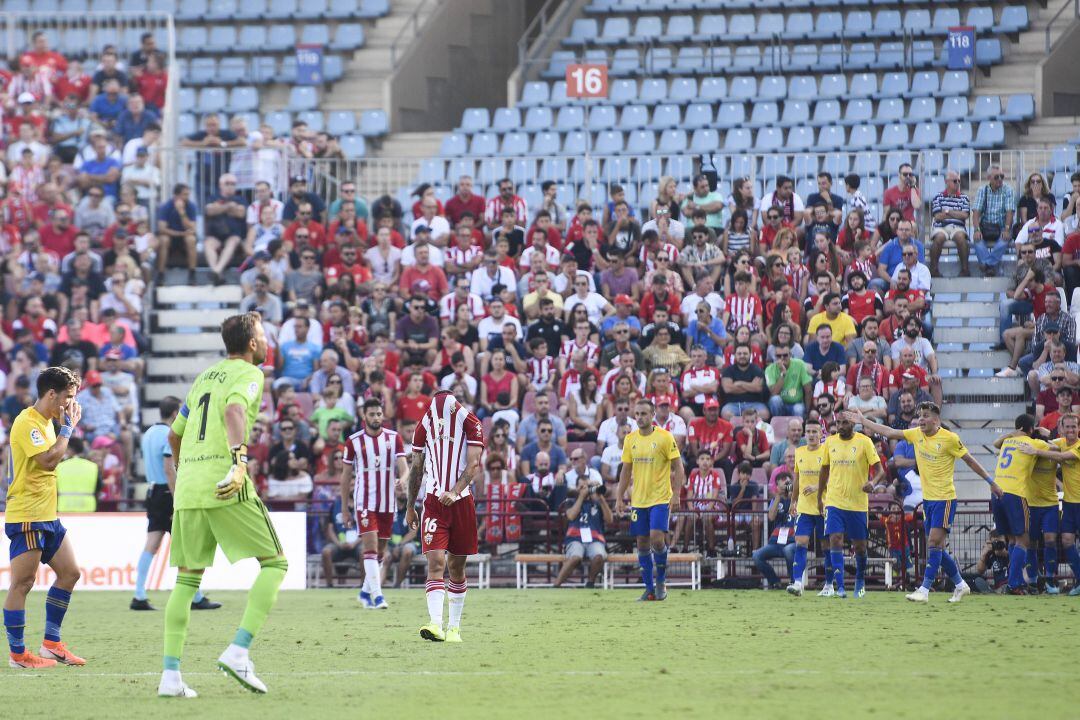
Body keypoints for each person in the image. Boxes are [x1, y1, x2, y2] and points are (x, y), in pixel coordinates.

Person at [158, 313, 287, 697]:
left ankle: (170, 677)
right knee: (276, 563)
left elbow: (174, 434)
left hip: (189, 487)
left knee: (185, 580)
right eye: (263, 335)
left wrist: (185, 471)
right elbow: (234, 411)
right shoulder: (249, 374)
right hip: (224, 480)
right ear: (251, 343)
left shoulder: (204, 377)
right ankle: (238, 651)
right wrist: (239, 460)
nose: (266, 342)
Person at [848, 403, 1001, 603]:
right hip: (928, 501)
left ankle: (924, 589)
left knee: (933, 543)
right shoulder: (916, 434)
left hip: (945, 499)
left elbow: (970, 461)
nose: (921, 419)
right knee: (936, 547)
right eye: (920, 416)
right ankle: (961, 584)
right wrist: (863, 421)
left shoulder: (950, 439)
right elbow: (890, 431)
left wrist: (991, 482)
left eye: (925, 416)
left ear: (936, 419)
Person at [3, 366, 87, 669]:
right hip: (27, 515)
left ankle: (51, 643)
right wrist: (68, 429)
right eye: (68, 397)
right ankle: (18, 654)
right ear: (51, 394)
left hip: (47, 515)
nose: (71, 404)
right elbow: (49, 461)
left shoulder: (47, 422)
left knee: (70, 573)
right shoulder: (28, 423)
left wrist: (62, 426)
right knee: (22, 584)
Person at [404, 391, 485, 643]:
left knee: (456, 567)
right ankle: (435, 624)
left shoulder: (471, 423)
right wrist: (410, 505)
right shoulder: (424, 424)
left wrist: (455, 491)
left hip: (461, 503)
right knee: (436, 562)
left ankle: (454, 628)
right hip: (434, 503)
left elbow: (474, 465)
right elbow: (417, 466)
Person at [131, 395, 220, 612]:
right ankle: (196, 596)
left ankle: (139, 594)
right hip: (167, 493)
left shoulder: (149, 433)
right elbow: (168, 467)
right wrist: (176, 496)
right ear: (174, 413)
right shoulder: (169, 434)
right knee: (189, 543)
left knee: (152, 543)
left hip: (152, 491)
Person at [616, 398, 685, 602]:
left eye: (644, 413)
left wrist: (677, 493)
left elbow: (678, 467)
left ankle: (661, 580)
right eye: (637, 414)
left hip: (660, 497)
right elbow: (626, 470)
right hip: (639, 500)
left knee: (656, 538)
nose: (640, 417)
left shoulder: (665, 437)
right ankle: (649, 589)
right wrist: (620, 497)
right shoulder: (630, 439)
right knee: (642, 542)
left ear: (653, 415)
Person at [341, 399, 407, 609]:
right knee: (369, 548)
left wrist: (402, 480)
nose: (376, 418)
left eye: (379, 414)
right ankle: (378, 596)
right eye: (372, 414)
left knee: (380, 553)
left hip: (388, 503)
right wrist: (345, 508)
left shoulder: (393, 438)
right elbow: (345, 477)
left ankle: (364, 592)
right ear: (364, 416)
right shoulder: (353, 441)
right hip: (364, 502)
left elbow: (405, 468)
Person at [817, 414, 885, 598]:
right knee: (835, 539)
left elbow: (880, 470)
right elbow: (824, 471)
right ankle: (840, 587)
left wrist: (873, 482)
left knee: (860, 546)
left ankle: (860, 579)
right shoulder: (829, 443)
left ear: (853, 423)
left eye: (844, 422)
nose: (840, 426)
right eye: (838, 422)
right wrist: (819, 498)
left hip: (857, 503)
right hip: (834, 500)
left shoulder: (865, 442)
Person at [988, 414, 1046, 594]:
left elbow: (995, 443)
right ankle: (1013, 584)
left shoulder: (1007, 442)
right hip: (1015, 493)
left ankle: (1017, 581)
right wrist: (1040, 433)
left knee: (1012, 539)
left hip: (996, 492)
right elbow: (1054, 447)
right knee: (1023, 539)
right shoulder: (1033, 443)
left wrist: (1015, 433)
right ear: (1030, 429)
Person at [785, 419, 833, 597]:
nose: (811, 435)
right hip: (804, 507)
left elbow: (833, 477)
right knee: (800, 542)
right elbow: (797, 479)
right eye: (809, 432)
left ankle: (829, 584)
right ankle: (797, 582)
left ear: (821, 434)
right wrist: (792, 501)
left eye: (815, 432)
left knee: (826, 546)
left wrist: (818, 487)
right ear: (805, 434)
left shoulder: (827, 452)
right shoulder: (799, 452)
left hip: (823, 506)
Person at [554, 483, 614, 588]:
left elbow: (610, 520)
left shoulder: (598, 503)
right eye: (583, 487)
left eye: (588, 487)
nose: (586, 490)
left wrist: (601, 498)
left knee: (599, 556)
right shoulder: (570, 502)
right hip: (575, 538)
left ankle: (590, 583)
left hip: (595, 539)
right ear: (577, 487)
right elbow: (571, 516)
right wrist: (581, 496)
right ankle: (556, 585)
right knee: (575, 557)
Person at [751, 473, 797, 589]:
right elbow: (771, 517)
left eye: (788, 484)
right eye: (783, 485)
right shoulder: (775, 499)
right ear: (777, 486)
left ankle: (794, 582)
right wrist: (778, 496)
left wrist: (793, 495)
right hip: (776, 542)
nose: (786, 487)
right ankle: (775, 581)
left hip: (793, 541)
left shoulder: (797, 499)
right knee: (757, 556)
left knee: (788, 550)